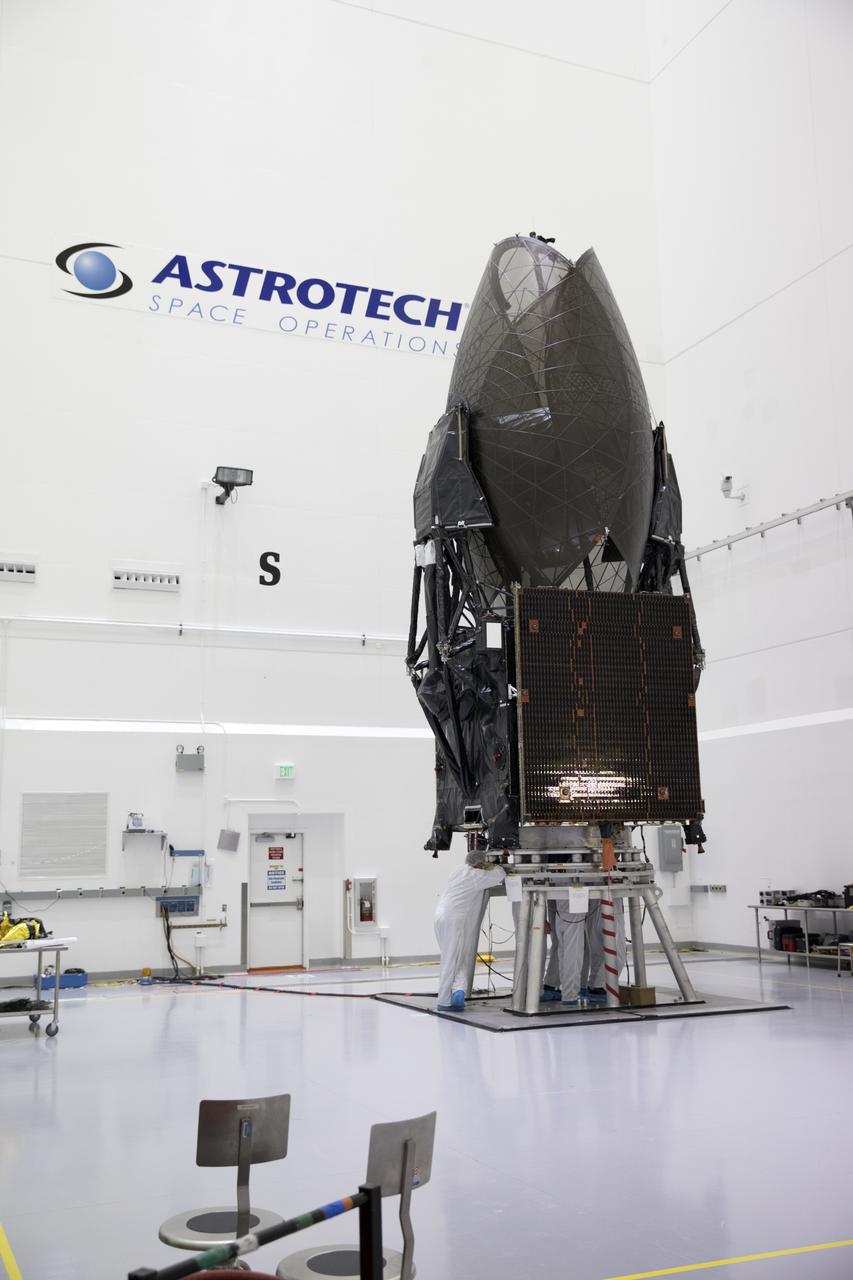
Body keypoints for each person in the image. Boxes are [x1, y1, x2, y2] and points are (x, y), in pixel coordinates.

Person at [434, 851, 505, 1010]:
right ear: (479, 864)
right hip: (454, 920)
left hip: (440, 916)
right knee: (452, 959)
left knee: (457, 957)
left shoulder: (459, 870)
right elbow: (500, 874)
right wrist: (493, 865)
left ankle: (458, 992)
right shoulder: (476, 876)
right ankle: (444, 1001)